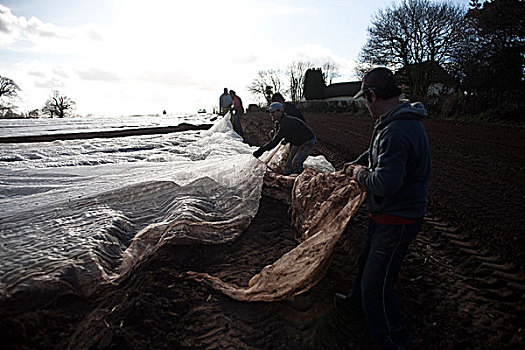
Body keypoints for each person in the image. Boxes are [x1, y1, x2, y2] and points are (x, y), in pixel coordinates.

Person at [336, 67, 431, 350]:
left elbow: (386, 182)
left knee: (376, 286)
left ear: (372, 96)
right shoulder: (390, 121)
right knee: (364, 263)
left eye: (365, 100)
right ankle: (356, 307)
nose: (365, 106)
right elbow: (375, 152)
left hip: (397, 218)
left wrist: (357, 174)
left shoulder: (397, 130)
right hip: (384, 214)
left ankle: (393, 340)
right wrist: (356, 161)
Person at [252, 102, 316, 175]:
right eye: (270, 112)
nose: (271, 114)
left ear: (280, 112)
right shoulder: (278, 122)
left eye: (273, 112)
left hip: (307, 141)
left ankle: (305, 180)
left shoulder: (285, 123)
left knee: (296, 164)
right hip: (297, 142)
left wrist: (261, 150)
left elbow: (275, 141)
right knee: (288, 168)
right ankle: (290, 181)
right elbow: (288, 133)